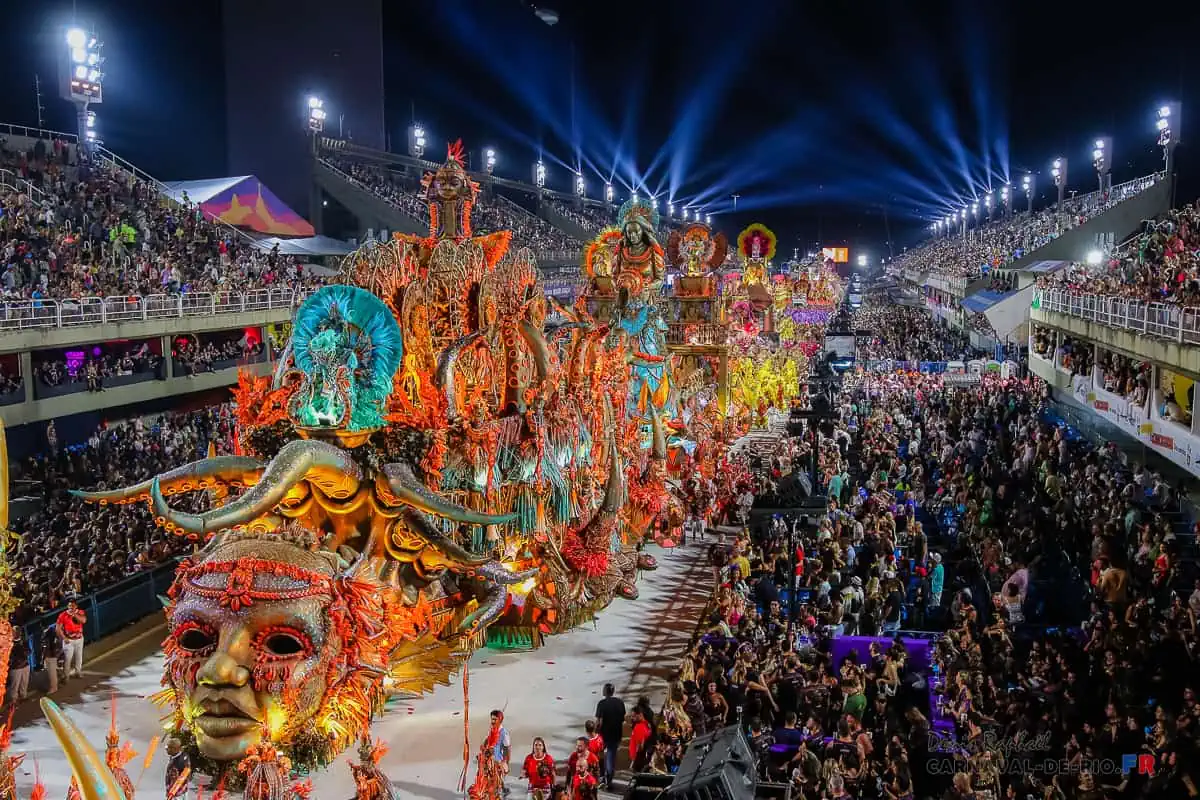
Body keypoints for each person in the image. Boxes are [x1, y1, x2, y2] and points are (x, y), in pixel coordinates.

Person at [594, 683, 625, 788]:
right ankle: (609, 778)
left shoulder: (601, 704)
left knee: (600, 755)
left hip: (604, 734)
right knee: (611, 756)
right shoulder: (620, 703)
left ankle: (602, 776)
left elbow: (599, 721)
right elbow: (622, 719)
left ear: (605, 691)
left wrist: (596, 731)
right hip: (616, 734)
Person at [56, 596, 86, 680]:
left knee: (79, 657)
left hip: (79, 639)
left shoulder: (80, 612)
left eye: (72, 606)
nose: (71, 607)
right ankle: (66, 676)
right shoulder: (63, 615)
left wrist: (74, 614)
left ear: (76, 606)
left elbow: (83, 620)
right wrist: (64, 638)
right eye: (69, 606)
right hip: (69, 640)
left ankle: (78, 672)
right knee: (67, 659)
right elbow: (58, 628)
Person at [6, 632, 29, 705]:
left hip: (25, 665)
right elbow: (9, 656)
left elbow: (29, 651)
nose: (17, 633)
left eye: (18, 631)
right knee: (15, 685)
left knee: (24, 682)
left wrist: (25, 656)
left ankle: (23, 696)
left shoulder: (24, 641)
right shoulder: (9, 643)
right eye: (15, 631)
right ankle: (13, 700)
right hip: (16, 667)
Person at [41, 622, 61, 694]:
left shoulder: (47, 634)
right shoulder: (53, 632)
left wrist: (43, 658)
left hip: (50, 656)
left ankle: (54, 688)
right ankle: (54, 686)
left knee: (52, 674)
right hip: (53, 655)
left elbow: (46, 647)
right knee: (53, 673)